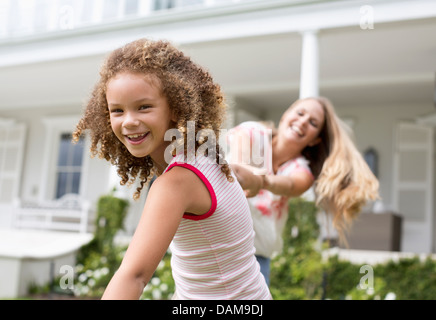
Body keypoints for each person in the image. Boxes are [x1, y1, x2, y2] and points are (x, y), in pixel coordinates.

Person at [72, 38, 271, 300]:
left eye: (144, 107)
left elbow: (134, 276)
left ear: (176, 108)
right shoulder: (207, 156)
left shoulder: (175, 183)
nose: (129, 121)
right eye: (117, 110)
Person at [227, 96, 379, 285]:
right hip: (216, 245)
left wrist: (262, 181)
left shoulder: (301, 170)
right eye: (300, 113)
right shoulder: (252, 133)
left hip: (256, 259)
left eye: (313, 123)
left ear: (315, 140)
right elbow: (240, 167)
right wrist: (250, 178)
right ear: (285, 116)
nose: (303, 121)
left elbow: (290, 185)